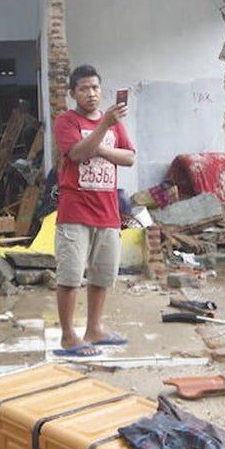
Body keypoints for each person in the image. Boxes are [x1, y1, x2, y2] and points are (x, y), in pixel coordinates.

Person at [52, 64, 136, 357]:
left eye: (95, 88)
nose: (91, 93)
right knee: (70, 276)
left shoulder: (113, 122)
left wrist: (100, 147)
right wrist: (102, 129)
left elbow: (129, 157)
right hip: (75, 210)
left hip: (108, 210)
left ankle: (94, 329)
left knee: (102, 275)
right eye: (84, 88)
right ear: (73, 93)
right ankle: (68, 336)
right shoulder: (66, 120)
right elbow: (76, 153)